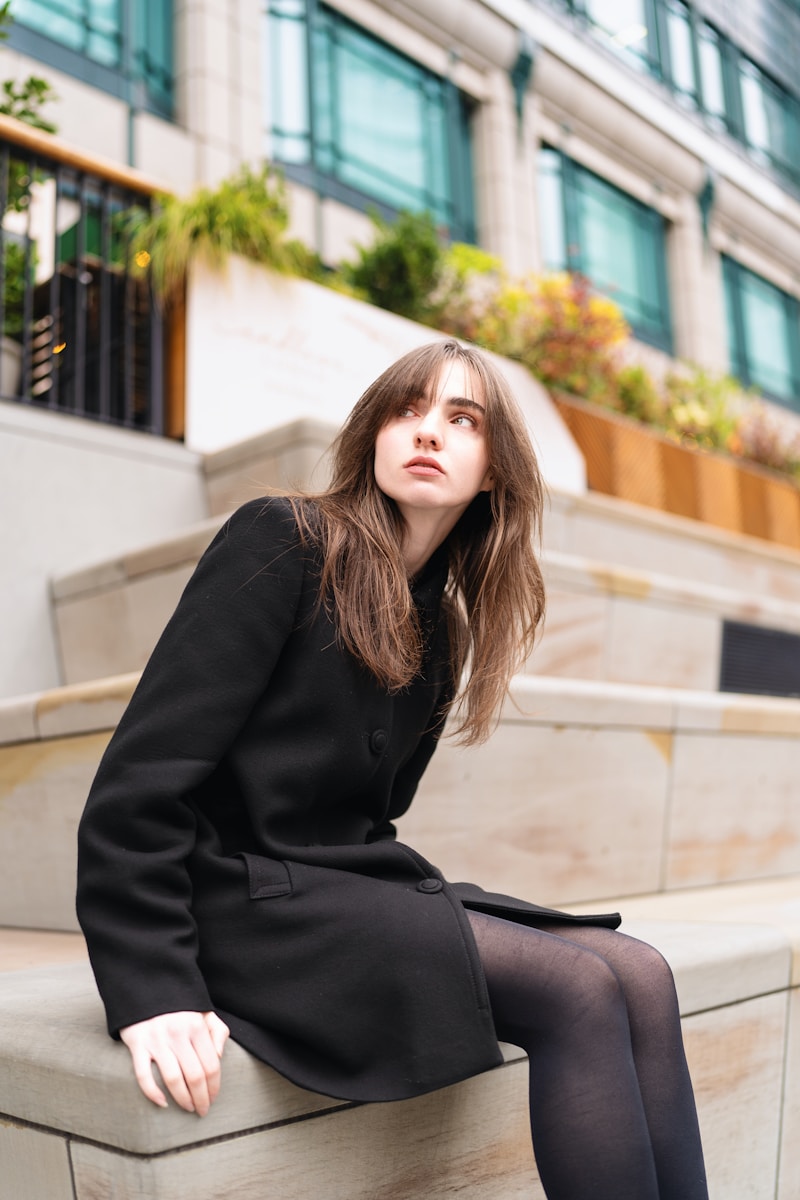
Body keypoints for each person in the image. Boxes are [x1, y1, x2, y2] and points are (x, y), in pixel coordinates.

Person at [77, 340, 708, 1200]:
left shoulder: (437, 629)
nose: (428, 433)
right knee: (577, 990)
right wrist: (152, 987)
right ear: (373, 437)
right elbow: (139, 779)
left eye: (462, 419)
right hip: (237, 902)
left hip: (335, 886)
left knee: (639, 970)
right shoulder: (283, 539)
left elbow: (374, 814)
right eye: (406, 410)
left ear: (492, 472)